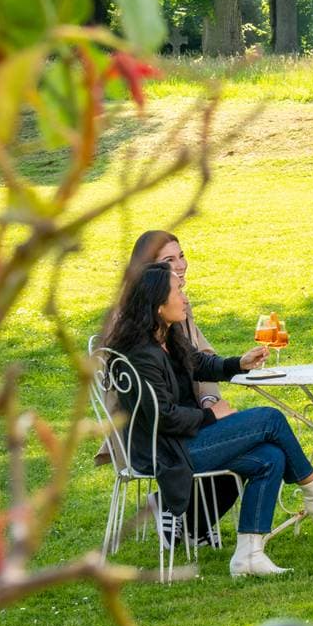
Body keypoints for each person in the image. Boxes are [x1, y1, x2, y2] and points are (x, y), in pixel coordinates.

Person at [102, 262, 313, 576]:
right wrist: (211, 415)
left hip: (183, 441)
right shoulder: (140, 354)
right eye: (178, 293)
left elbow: (199, 363)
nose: (185, 299)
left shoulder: (167, 337)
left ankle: (249, 556)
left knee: (269, 457)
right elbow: (164, 418)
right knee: (269, 419)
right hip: (165, 452)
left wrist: (238, 363)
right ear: (158, 305)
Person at [98, 231, 241, 544]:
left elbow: (202, 360)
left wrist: (220, 388)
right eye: (168, 261)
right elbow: (145, 403)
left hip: (181, 415)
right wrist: (208, 415)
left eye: (181, 256)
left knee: (252, 442)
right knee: (255, 434)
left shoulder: (175, 308)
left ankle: (193, 525)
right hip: (151, 434)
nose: (180, 266)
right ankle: (185, 517)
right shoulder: (132, 324)